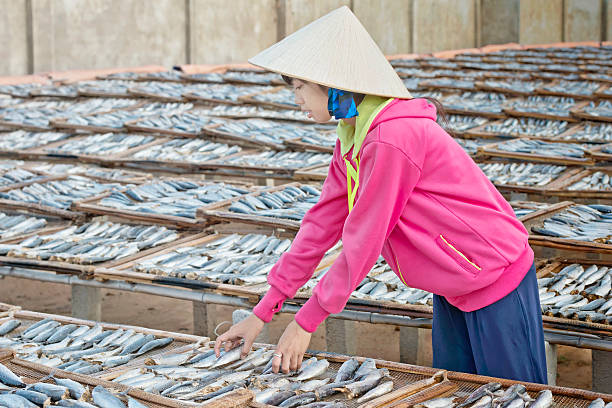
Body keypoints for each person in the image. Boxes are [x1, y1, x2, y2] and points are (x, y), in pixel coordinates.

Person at [214, 6, 547, 384]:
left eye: (299, 88)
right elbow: (322, 223)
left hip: (494, 278)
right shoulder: (352, 137)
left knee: (514, 395)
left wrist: (306, 321)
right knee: (461, 392)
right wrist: (263, 311)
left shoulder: (393, 138)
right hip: (452, 281)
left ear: (334, 85)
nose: (297, 101)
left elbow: (364, 240)